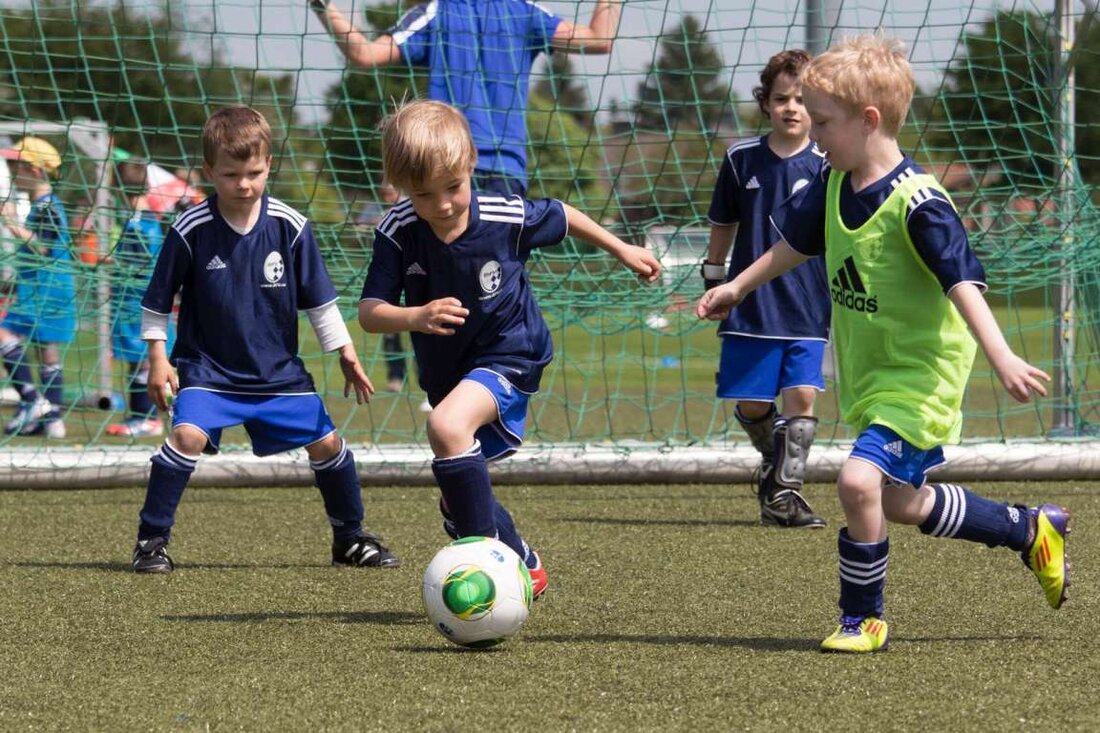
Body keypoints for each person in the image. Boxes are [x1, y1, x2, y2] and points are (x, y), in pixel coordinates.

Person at [696, 35, 1067, 653]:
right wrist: (736, 285)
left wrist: (1001, 355)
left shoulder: (920, 203)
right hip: (872, 377)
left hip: (921, 378)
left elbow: (963, 283)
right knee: (899, 502)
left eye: (824, 125)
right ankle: (1029, 530)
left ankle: (862, 617)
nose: (814, 139)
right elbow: (796, 247)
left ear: (868, 121)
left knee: (857, 484)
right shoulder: (835, 183)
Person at [358, 100, 659, 599]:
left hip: (511, 353)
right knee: (456, 498)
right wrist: (415, 316)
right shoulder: (397, 231)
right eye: (424, 195)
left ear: (471, 162)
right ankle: (522, 558)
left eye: (453, 187)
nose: (444, 205)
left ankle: (485, 569)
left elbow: (562, 214)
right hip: (447, 373)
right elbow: (370, 311)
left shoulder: (502, 213)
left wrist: (623, 249)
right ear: (403, 188)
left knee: (447, 427)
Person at [130, 106, 400, 574]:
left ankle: (350, 538)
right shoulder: (190, 229)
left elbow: (320, 301)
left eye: (254, 173)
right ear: (209, 171)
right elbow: (156, 302)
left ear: (269, 165)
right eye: (231, 174)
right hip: (208, 368)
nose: (244, 184)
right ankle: (151, 542)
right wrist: (158, 358)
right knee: (186, 436)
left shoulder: (289, 226)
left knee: (329, 445)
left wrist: (345, 351)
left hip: (277, 373)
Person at [310, 0, 621, 196]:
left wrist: (322, 6)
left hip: (444, 168)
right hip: (503, 170)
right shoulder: (524, 11)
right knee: (494, 282)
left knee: (444, 281)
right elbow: (600, 39)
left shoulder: (436, 13)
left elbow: (364, 53)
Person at [702, 49, 829, 529]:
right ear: (766, 102)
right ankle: (775, 459)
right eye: (782, 98)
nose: (792, 108)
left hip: (810, 302)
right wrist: (715, 276)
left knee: (802, 395)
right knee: (754, 403)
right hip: (752, 304)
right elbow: (723, 221)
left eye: (801, 99)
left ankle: (784, 496)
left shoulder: (828, 162)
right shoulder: (741, 159)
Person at [0, 137, 75, 439]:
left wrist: (12, 223)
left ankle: (32, 400)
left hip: (45, 290)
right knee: (48, 353)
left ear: (34, 169)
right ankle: (54, 419)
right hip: (47, 289)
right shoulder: (43, 205)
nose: (12, 169)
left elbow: (45, 247)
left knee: (4, 335)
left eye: (16, 164)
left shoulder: (48, 207)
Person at [105, 159, 172, 437]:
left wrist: (116, 265)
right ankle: (141, 415)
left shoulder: (143, 223)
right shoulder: (137, 219)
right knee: (136, 357)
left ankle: (147, 417)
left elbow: (147, 261)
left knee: (142, 356)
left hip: (139, 299)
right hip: (132, 298)